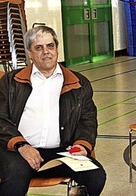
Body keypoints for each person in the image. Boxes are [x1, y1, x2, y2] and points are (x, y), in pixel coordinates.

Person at [0, 26, 106, 195]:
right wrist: (20, 144)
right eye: (38, 47)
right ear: (29, 53)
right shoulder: (11, 81)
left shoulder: (78, 82)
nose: (46, 52)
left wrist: (82, 144)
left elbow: (88, 120)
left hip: (62, 152)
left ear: (57, 48)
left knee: (95, 176)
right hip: (19, 151)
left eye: (50, 46)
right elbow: (1, 118)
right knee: (14, 177)